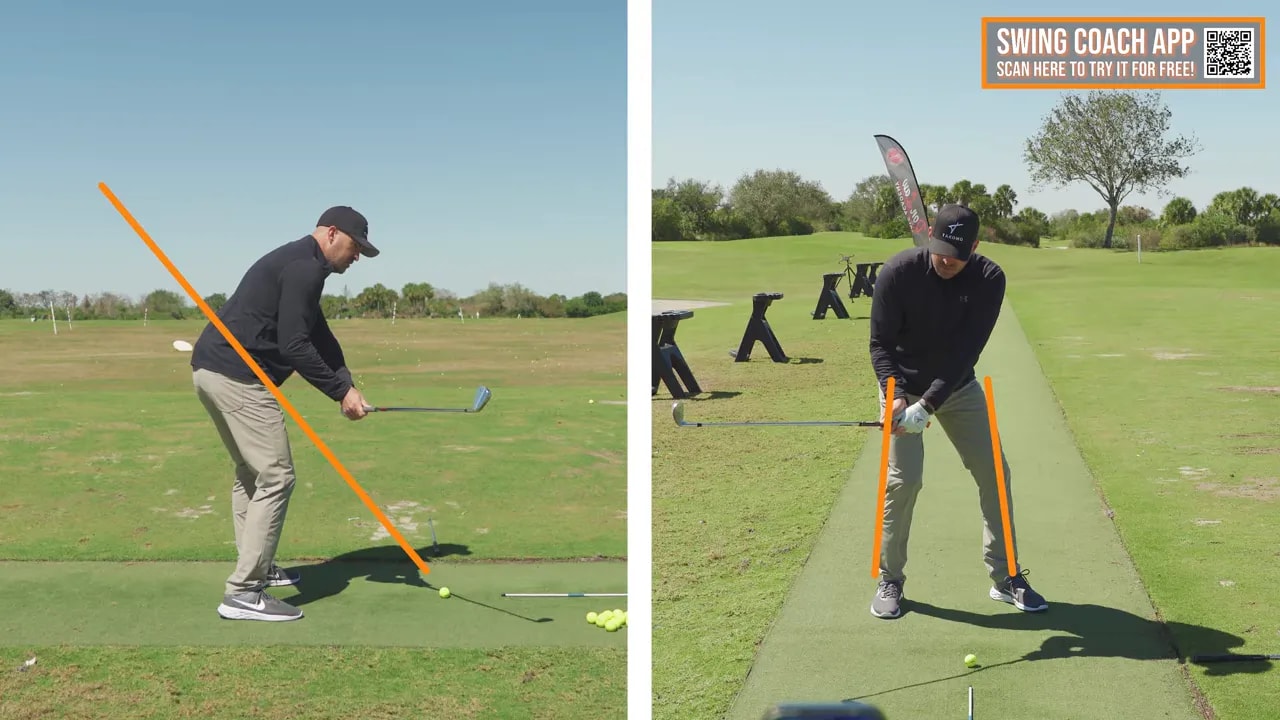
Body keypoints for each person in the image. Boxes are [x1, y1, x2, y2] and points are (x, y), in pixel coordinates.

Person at [190, 205, 379, 622]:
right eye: (354, 246)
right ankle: (243, 592)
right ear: (331, 234)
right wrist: (338, 393)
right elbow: (296, 345)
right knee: (276, 475)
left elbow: (318, 334)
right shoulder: (305, 268)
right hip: (237, 376)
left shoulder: (303, 264)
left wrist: (346, 382)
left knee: (252, 475)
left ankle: (255, 569)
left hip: (211, 371)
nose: (357, 256)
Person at [866, 203, 1047, 620]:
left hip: (956, 386)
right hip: (901, 385)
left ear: (976, 247)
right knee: (903, 481)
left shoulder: (988, 278)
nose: (948, 260)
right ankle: (890, 578)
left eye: (959, 253)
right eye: (943, 249)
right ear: (931, 235)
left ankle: (1007, 577)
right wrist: (896, 399)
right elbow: (880, 345)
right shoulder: (898, 272)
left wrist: (927, 405)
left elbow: (966, 351)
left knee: (995, 475)